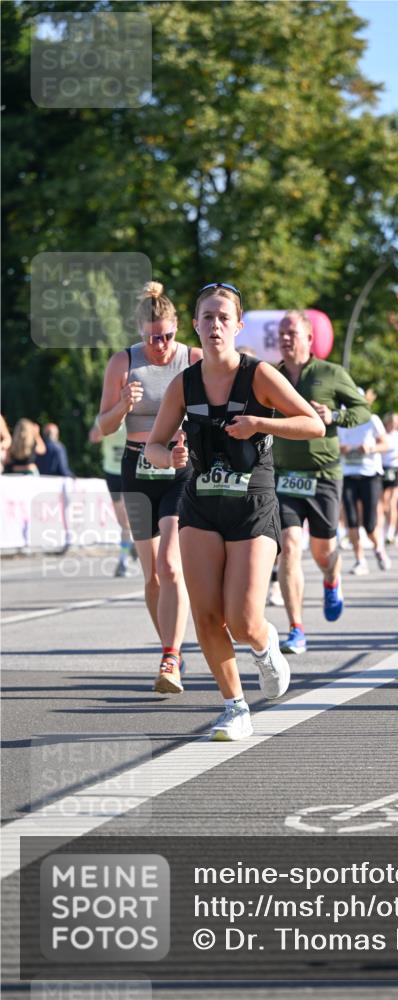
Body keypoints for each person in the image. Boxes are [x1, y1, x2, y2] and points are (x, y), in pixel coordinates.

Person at [145, 283, 324, 740]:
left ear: (238, 325)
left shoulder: (258, 375)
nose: (215, 325)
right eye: (207, 317)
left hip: (252, 504)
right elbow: (153, 446)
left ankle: (264, 646)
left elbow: (313, 424)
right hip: (201, 505)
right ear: (196, 325)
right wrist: (171, 458)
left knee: (243, 620)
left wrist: (260, 423)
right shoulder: (184, 384)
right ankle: (234, 707)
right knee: (207, 616)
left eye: (224, 317)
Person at [98, 280, 202, 693]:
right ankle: (170, 645)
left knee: (170, 565)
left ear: (178, 328)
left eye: (167, 336)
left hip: (179, 469)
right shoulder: (123, 362)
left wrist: (190, 439)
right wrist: (123, 404)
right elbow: (104, 425)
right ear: (140, 333)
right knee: (152, 576)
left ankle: (170, 658)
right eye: (151, 338)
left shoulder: (192, 360)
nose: (160, 345)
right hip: (137, 470)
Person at [272, 311, 371, 654]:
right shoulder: (270, 376)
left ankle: (331, 580)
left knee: (323, 552)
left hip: (323, 475)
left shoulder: (331, 373)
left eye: (291, 333)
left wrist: (335, 415)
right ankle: (296, 628)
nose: (285, 338)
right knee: (288, 546)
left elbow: (363, 410)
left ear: (309, 338)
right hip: (284, 476)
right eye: (281, 333)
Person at [339, 403, 391, 574]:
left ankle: (378, 548)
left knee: (369, 524)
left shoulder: (372, 419)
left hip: (370, 475)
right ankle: (360, 560)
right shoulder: (340, 420)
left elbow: (386, 444)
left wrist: (370, 448)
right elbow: (330, 446)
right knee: (351, 519)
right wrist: (340, 449)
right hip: (347, 475)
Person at [88, 418, 137, 577]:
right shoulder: (106, 414)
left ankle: (123, 561)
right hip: (113, 472)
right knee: (123, 522)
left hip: (132, 470)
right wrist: (104, 426)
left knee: (132, 518)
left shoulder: (136, 415)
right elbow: (93, 437)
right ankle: (131, 545)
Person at [380, 412, 398, 548]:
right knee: (383, 502)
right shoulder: (382, 434)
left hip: (396, 469)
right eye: (392, 422)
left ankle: (391, 533)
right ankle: (385, 528)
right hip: (383, 469)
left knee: (393, 501)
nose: (394, 425)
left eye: (396, 423)